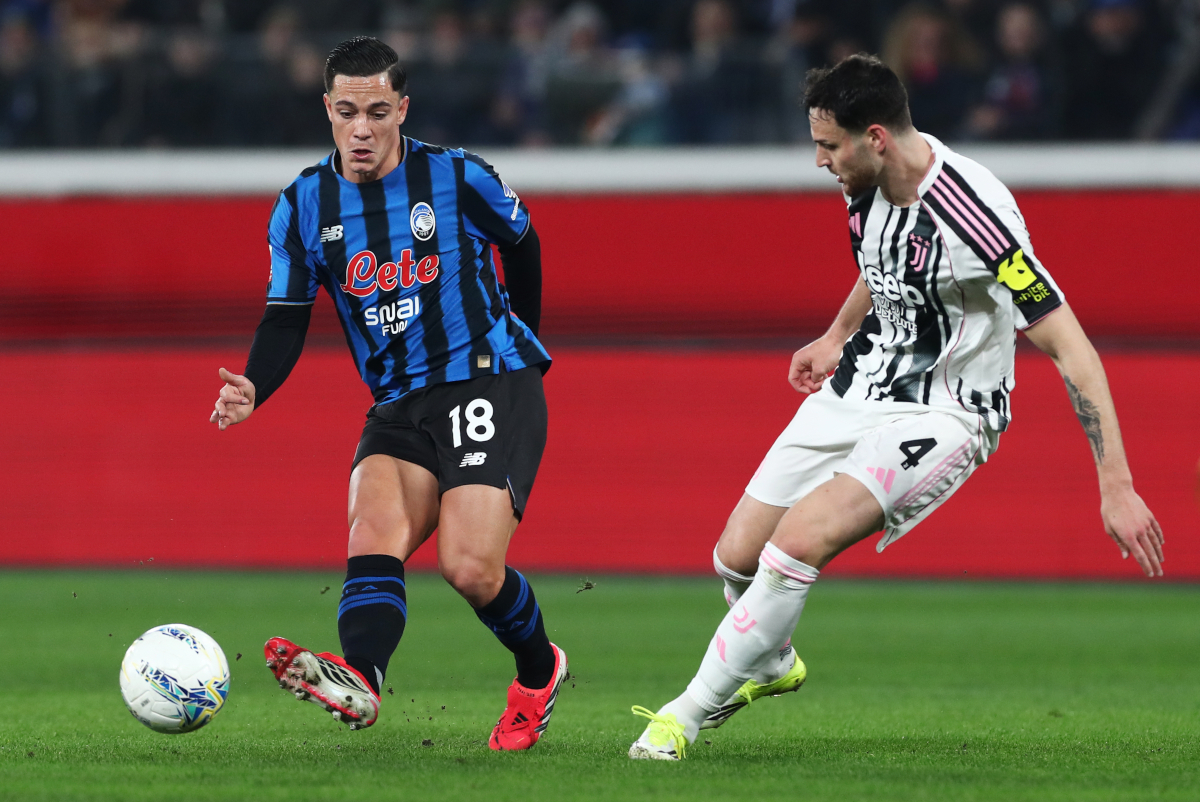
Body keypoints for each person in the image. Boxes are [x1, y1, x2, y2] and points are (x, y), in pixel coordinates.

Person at [628, 53, 1164, 761]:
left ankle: (681, 718)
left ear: (875, 137)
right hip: (862, 383)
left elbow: (1072, 349)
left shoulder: (978, 220)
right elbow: (884, 263)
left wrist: (1117, 484)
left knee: (796, 544)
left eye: (828, 145)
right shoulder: (864, 180)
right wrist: (837, 334)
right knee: (736, 558)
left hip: (947, 410)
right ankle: (772, 660)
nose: (819, 161)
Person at [209, 36, 567, 752]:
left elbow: (522, 242)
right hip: (399, 401)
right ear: (328, 110)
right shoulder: (303, 205)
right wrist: (254, 384)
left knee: (469, 568)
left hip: (485, 379)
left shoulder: (458, 177)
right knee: (371, 536)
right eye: (348, 113)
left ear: (402, 109)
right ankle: (362, 678)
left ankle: (539, 672)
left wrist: (521, 341)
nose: (362, 130)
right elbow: (286, 316)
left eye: (377, 112)